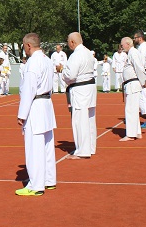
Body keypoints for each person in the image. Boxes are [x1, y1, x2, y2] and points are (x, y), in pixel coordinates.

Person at [16, 33, 57, 196]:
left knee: (34, 147)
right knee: (47, 145)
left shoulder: (33, 62)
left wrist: (22, 114)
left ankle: (36, 185)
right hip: (46, 103)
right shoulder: (47, 60)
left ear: (28, 45)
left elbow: (28, 89)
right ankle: (49, 180)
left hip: (36, 105)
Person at [62, 32, 97, 159]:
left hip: (80, 89)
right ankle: (90, 147)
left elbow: (71, 75)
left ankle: (83, 151)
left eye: (68, 42)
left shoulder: (76, 55)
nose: (68, 44)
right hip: (90, 87)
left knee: (80, 120)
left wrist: (62, 71)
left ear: (72, 42)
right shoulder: (88, 52)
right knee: (90, 119)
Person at [119, 37, 146, 141]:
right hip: (130, 84)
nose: (121, 47)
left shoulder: (133, 52)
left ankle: (131, 134)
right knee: (133, 110)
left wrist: (143, 81)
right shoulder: (130, 53)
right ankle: (137, 132)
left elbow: (139, 67)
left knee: (130, 110)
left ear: (127, 44)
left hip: (133, 84)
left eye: (122, 45)